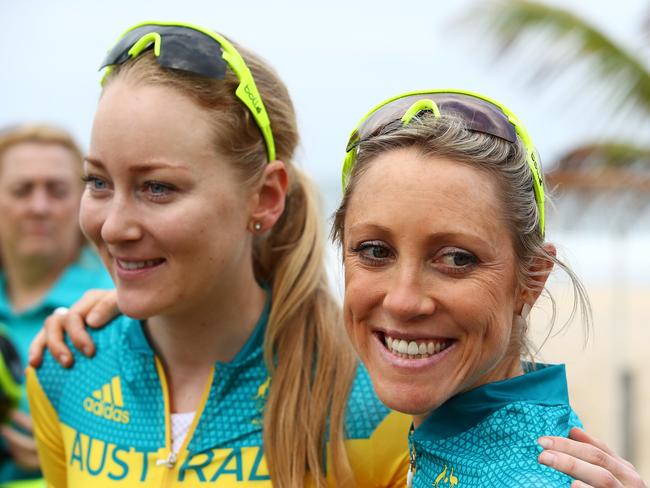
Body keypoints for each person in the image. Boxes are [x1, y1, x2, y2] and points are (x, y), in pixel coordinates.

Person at [25, 22, 410, 487]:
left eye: (157, 188)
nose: (112, 227)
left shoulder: (370, 400)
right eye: (99, 182)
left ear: (266, 197)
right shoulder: (65, 368)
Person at [331, 89, 648, 487]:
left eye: (456, 258)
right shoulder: (459, 439)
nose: (403, 300)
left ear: (531, 278)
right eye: (375, 250)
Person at [0, 125, 113, 484]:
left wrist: (64, 452)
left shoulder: (118, 304)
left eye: (57, 191)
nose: (39, 207)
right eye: (21, 190)